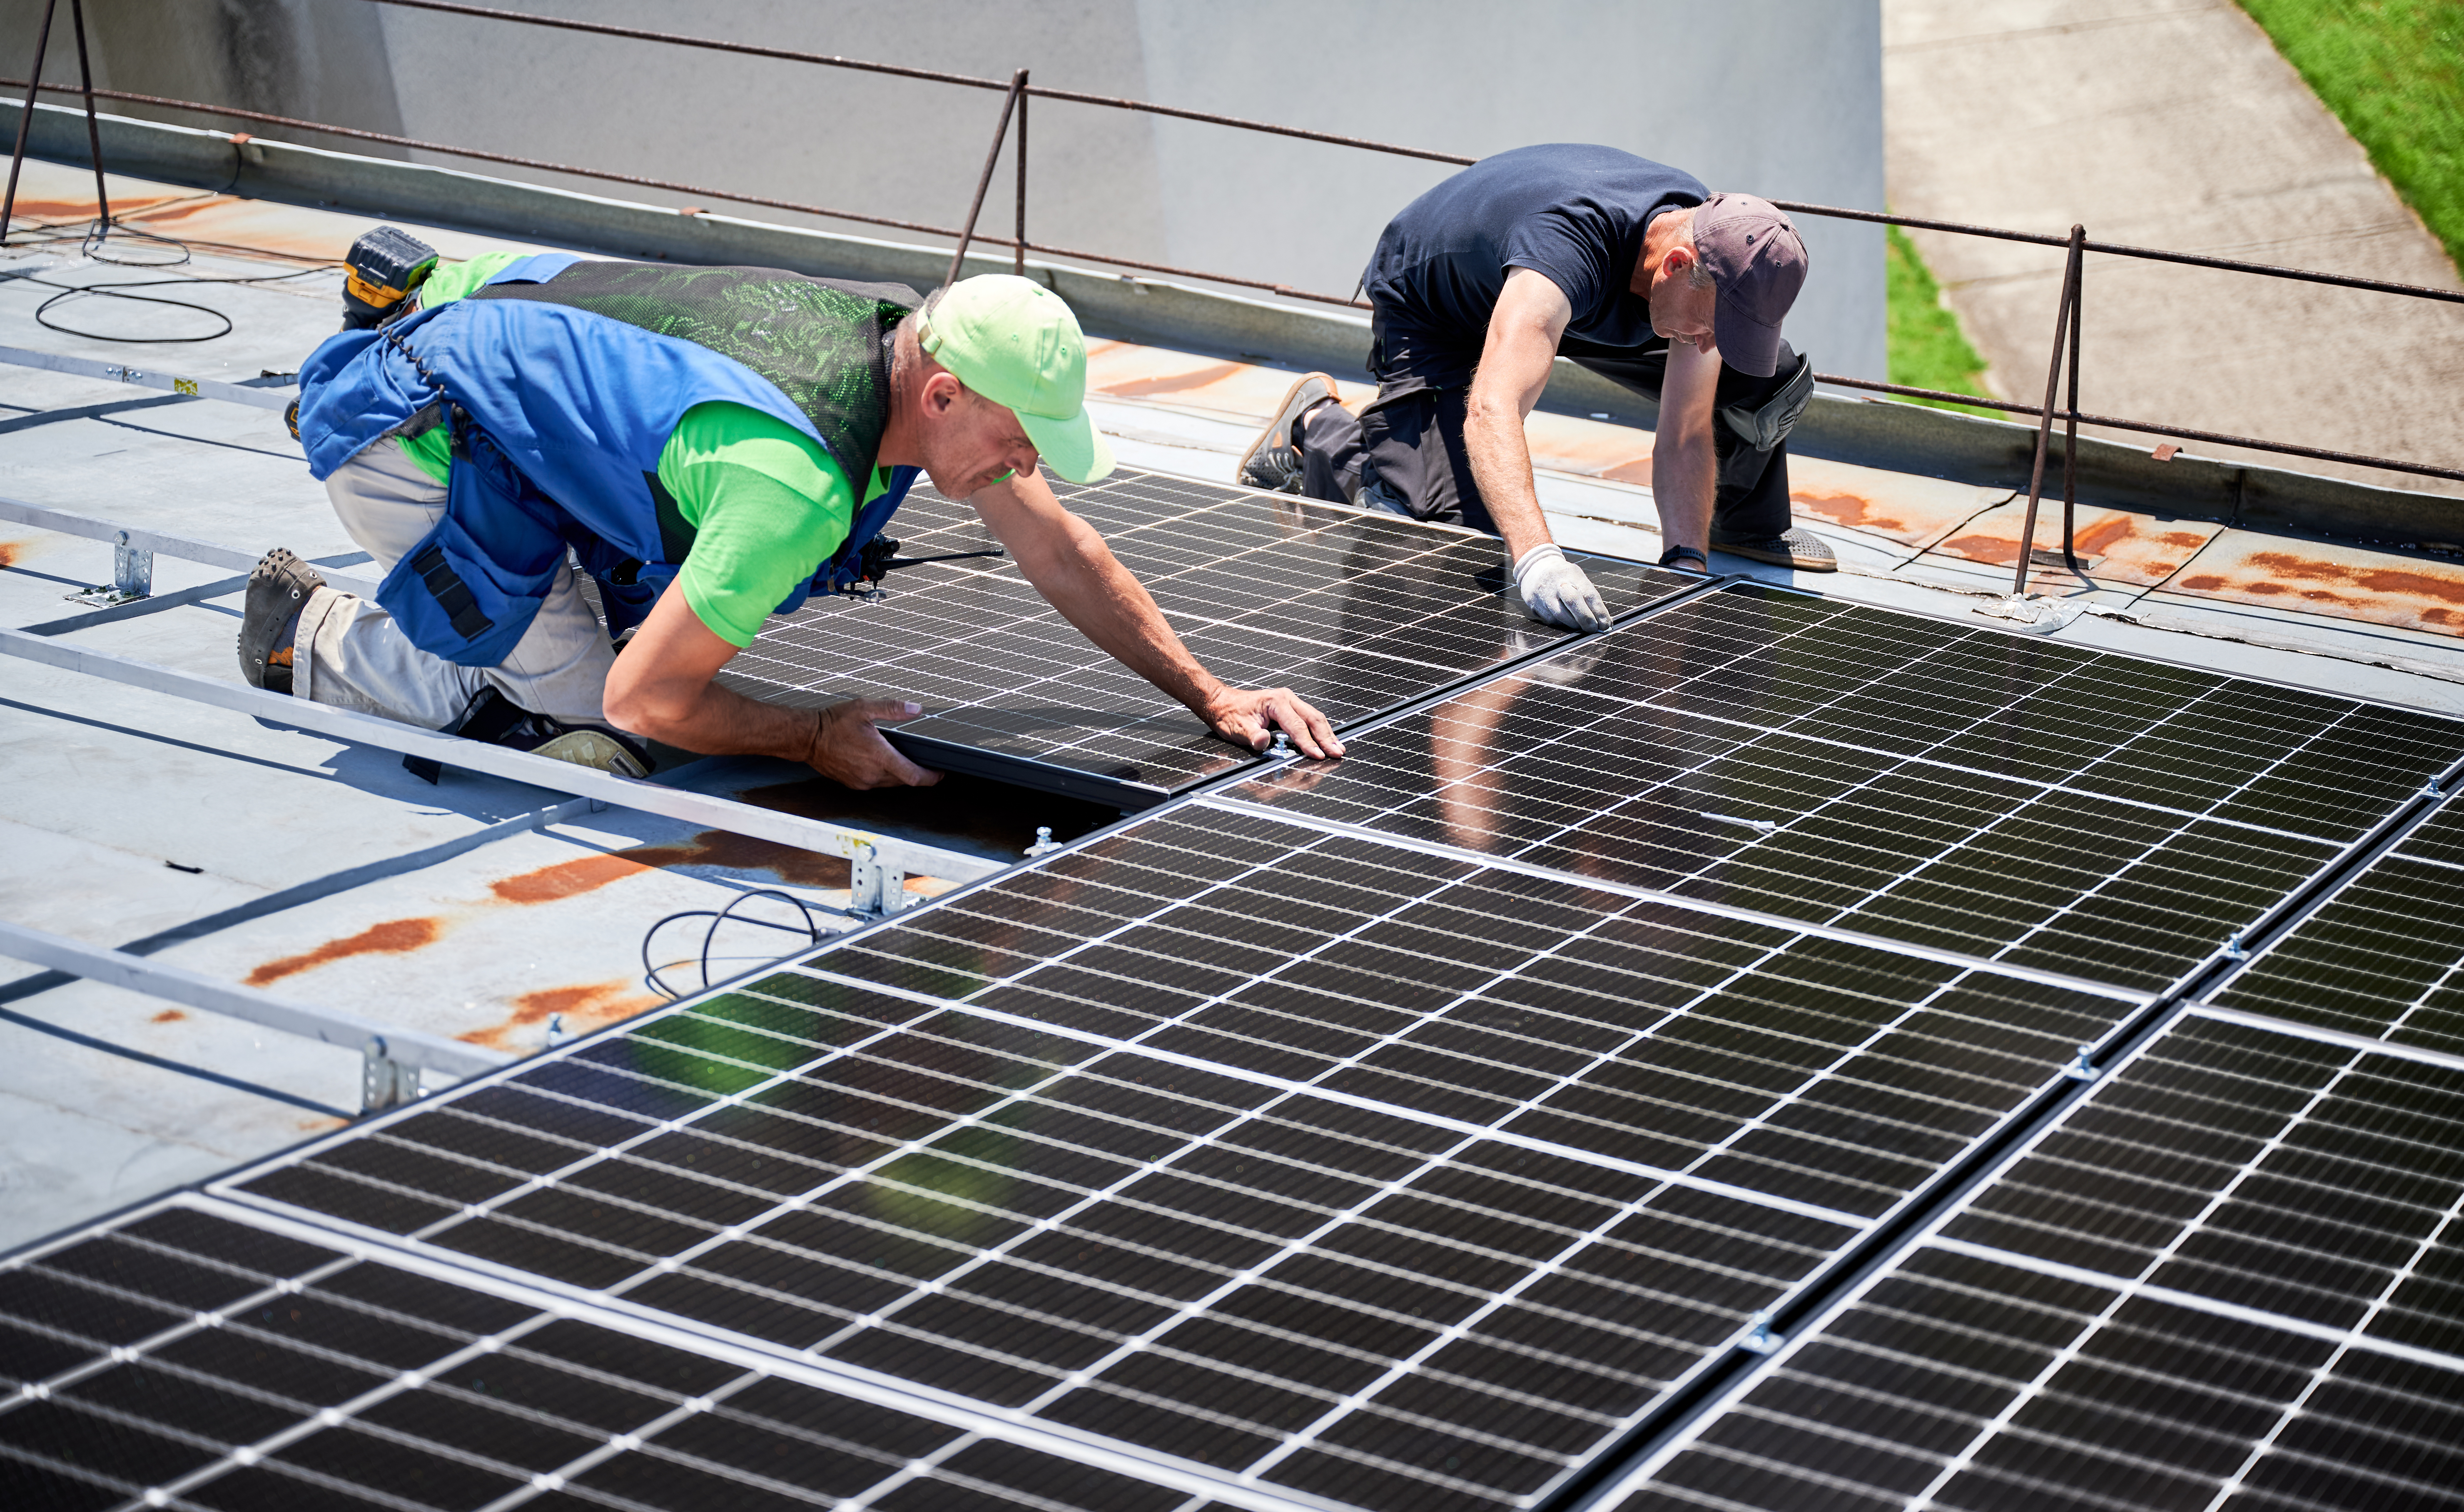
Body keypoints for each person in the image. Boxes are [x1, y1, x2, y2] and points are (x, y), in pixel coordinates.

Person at [245, 256, 1340, 786]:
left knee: (659, 637)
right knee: (607, 707)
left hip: (531, 362)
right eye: (1022, 435)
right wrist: (809, 736)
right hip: (420, 426)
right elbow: (644, 697)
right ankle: (317, 644)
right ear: (945, 393)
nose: (1029, 464)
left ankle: (525, 623)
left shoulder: (897, 354)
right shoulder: (795, 486)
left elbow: (1060, 547)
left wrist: (1209, 692)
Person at [1237, 144, 1832, 632]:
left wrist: (1685, 560)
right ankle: (1315, 430)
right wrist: (1539, 559)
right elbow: (1492, 409)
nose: (1709, 343)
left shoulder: (1713, 245)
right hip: (1439, 309)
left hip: (1564, 293)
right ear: (1675, 266)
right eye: (1712, 325)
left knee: (1762, 378)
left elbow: (1684, 431)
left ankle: (1738, 523)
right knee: (1445, 531)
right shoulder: (1563, 252)